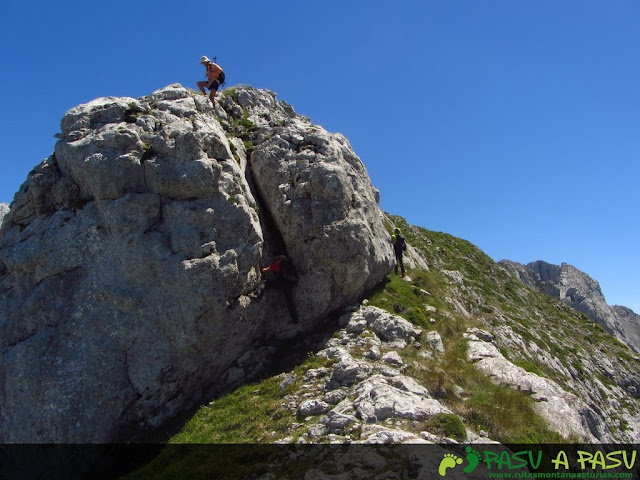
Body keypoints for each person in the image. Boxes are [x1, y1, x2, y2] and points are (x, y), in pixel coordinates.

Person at [261, 255, 300, 323]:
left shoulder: (279, 264)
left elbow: (266, 270)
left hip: (283, 284)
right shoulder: (290, 266)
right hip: (291, 285)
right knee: (290, 303)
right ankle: (295, 320)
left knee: (265, 283)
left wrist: (261, 269)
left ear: (279, 259)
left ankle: (258, 295)